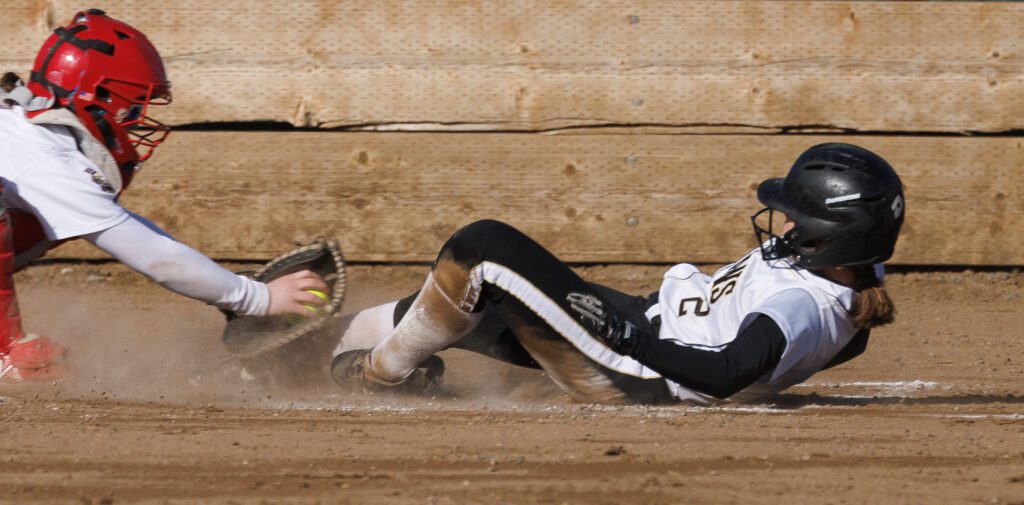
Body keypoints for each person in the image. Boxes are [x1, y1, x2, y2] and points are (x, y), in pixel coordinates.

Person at [323, 142, 905, 404]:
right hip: (639, 325)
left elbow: (726, 373)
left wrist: (627, 337)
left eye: (799, 223)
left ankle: (379, 377)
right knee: (457, 303)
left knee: (482, 247)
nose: (784, 228)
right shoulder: (852, 277)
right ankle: (289, 354)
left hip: (631, 362)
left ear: (834, 238)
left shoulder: (804, 303)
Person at [0, 10, 328, 383]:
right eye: (134, 105)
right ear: (98, 94)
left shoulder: (32, 134)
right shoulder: (48, 158)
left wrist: (225, 283)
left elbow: (127, 227)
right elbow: (152, 256)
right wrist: (256, 299)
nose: (137, 120)